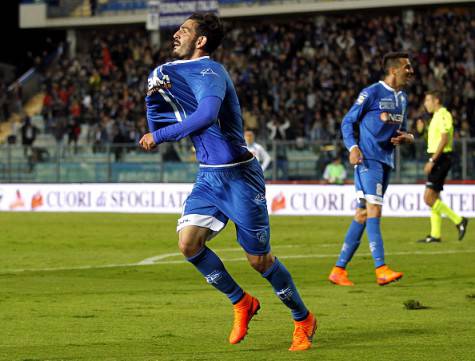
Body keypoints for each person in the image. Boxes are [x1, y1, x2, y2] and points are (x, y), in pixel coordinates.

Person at [139, 13, 316, 351]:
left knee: (259, 261)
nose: (176, 34)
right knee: (188, 244)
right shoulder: (176, 72)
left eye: (185, 30)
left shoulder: (210, 71)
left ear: (201, 41)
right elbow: (170, 108)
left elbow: (205, 115)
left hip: (239, 177)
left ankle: (302, 318)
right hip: (208, 176)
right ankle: (242, 301)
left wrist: (158, 135)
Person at [328, 52, 415, 286]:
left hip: (386, 160)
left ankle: (338, 270)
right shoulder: (372, 92)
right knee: (374, 210)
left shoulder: (403, 99)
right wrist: (352, 147)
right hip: (368, 160)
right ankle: (381, 268)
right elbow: (348, 121)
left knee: (363, 214)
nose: (411, 71)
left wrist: (407, 137)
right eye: (407, 67)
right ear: (393, 70)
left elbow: (402, 129)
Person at [417, 90, 468, 243]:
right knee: (434, 197)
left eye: (428, 100)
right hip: (437, 156)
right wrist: (422, 132)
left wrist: (432, 160)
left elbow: (444, 139)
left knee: (428, 198)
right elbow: (434, 140)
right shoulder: (435, 118)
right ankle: (435, 234)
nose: (426, 104)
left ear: (436, 100)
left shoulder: (444, 114)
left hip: (441, 158)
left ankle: (459, 220)